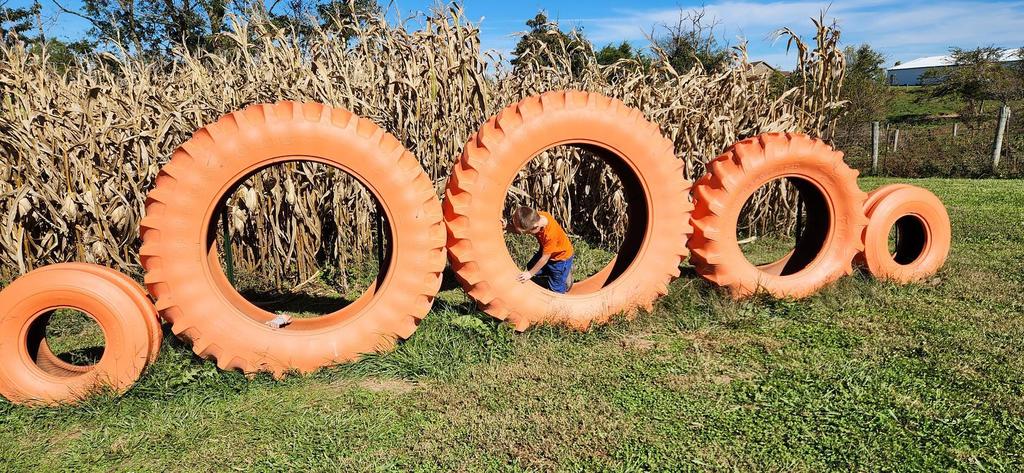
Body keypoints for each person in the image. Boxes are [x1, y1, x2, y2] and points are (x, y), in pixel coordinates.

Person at [504, 205, 575, 293]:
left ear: (535, 227)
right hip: (547, 251)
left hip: (560, 258)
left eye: (527, 232)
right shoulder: (536, 217)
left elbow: (544, 259)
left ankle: (564, 281)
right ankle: (562, 274)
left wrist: (530, 274)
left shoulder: (550, 235)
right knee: (531, 266)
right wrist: (507, 227)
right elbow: (522, 229)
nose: (527, 234)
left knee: (556, 288)